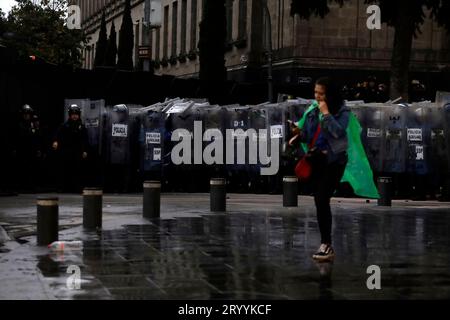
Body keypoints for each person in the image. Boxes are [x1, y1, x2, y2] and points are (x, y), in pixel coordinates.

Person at [290, 77, 350, 262]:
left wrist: (326, 114)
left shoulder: (342, 111)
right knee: (320, 201)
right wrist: (298, 134)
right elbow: (310, 136)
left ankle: (327, 244)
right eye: (315, 93)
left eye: (321, 93)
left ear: (330, 94)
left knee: (322, 198)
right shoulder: (312, 111)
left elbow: (338, 133)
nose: (317, 97)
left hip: (334, 161)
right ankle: (325, 243)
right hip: (317, 160)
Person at [52, 104, 88, 193]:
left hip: (77, 152)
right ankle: (63, 188)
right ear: (69, 115)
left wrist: (85, 150)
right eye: (72, 114)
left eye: (76, 114)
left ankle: (77, 188)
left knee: (77, 170)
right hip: (66, 151)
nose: (74, 116)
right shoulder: (64, 126)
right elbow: (57, 135)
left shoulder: (82, 127)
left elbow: (85, 140)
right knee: (64, 170)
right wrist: (55, 141)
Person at [13, 104, 44, 192]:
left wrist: (38, 149)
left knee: (32, 168)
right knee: (22, 168)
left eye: (28, 114)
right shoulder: (19, 124)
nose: (26, 115)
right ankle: (21, 186)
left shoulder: (33, 124)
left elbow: (37, 137)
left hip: (32, 150)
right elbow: (17, 137)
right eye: (25, 114)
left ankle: (31, 186)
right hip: (22, 149)